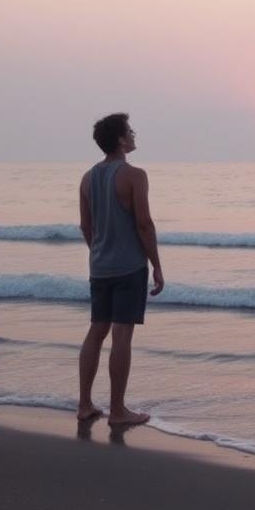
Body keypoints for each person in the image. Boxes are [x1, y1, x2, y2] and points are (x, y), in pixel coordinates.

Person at [77, 113, 164, 426]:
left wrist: (99, 252)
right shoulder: (134, 175)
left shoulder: (88, 178)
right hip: (128, 266)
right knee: (121, 335)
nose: (134, 134)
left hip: (99, 266)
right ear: (120, 140)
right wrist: (156, 263)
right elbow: (144, 223)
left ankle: (85, 404)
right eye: (130, 130)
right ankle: (117, 410)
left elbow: (86, 225)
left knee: (96, 330)